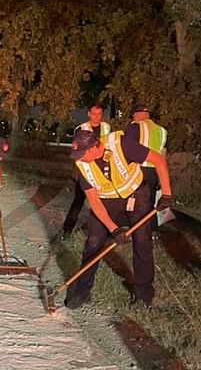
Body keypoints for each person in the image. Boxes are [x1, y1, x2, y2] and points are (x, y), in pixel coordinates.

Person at [64, 129, 173, 310]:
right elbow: (94, 202)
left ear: (94, 146)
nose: (80, 159)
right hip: (107, 200)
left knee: (142, 241)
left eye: (82, 154)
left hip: (136, 194)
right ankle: (82, 292)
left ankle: (144, 294)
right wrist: (113, 229)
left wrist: (167, 194)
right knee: (93, 242)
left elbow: (158, 160)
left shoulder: (122, 145)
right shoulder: (82, 165)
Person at [61, 102, 112, 239]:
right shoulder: (81, 128)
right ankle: (67, 230)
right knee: (78, 201)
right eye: (94, 114)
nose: (97, 117)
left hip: (102, 170)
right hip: (85, 171)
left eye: (99, 114)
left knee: (103, 202)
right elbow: (76, 153)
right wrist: (77, 173)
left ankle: (104, 231)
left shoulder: (106, 127)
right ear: (89, 114)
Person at [124, 104, 168, 241]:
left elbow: (126, 149)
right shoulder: (162, 131)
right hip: (155, 171)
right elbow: (163, 153)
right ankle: (153, 232)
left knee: (134, 202)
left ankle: (132, 232)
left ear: (136, 114)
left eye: (133, 116)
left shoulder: (135, 126)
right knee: (150, 202)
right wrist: (162, 176)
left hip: (138, 169)